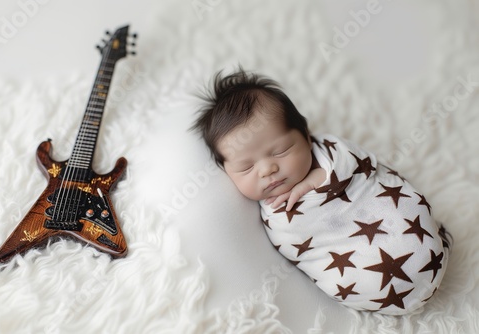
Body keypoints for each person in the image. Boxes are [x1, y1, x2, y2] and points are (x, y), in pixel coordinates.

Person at [190, 67, 452, 315]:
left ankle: (434, 245)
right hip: (371, 280)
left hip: (405, 230)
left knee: (407, 212)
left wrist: (319, 179)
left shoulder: (330, 154)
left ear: (305, 134)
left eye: (280, 151)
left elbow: (364, 166)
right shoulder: (273, 215)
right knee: (357, 275)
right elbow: (302, 251)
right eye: (246, 167)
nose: (267, 169)